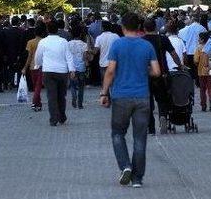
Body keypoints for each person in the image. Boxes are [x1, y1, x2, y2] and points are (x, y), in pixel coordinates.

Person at [99, 12, 160, 188]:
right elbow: (156, 72)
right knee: (140, 138)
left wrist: (104, 93)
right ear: (139, 27)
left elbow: (110, 71)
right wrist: (144, 70)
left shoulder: (117, 45)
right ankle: (137, 178)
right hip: (142, 97)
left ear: (123, 26)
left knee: (118, 133)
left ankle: (125, 166)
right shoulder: (147, 46)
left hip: (121, 97)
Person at [142, 18, 182, 134]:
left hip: (146, 75)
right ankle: (163, 116)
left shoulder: (141, 41)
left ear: (144, 29)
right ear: (155, 27)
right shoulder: (163, 39)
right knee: (162, 99)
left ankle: (151, 127)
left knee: (148, 101)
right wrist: (180, 65)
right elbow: (174, 54)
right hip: (162, 74)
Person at [34, 20, 75, 126]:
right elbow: (69, 57)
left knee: (51, 96)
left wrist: (38, 65)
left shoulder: (43, 42)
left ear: (47, 30)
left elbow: (38, 57)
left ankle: (53, 118)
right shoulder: (63, 42)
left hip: (48, 71)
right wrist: (72, 70)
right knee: (61, 95)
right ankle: (62, 116)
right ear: (57, 30)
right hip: (62, 72)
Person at [22, 23, 46, 111]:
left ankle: (35, 102)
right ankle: (37, 103)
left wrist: (25, 67)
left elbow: (29, 56)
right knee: (38, 86)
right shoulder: (44, 41)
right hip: (42, 66)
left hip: (33, 66)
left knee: (36, 85)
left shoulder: (30, 42)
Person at [179, 16, 206, 86]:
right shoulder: (202, 28)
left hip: (189, 51)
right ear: (199, 19)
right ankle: (198, 82)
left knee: (191, 68)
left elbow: (183, 39)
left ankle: (191, 82)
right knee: (199, 68)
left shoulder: (187, 29)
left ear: (192, 20)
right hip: (200, 51)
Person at [68, 25, 88, 109]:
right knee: (81, 86)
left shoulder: (68, 44)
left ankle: (74, 97)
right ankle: (80, 103)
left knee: (72, 85)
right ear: (80, 34)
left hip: (72, 67)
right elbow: (84, 57)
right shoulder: (84, 44)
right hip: (81, 67)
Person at [194, 31, 211, 112]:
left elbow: (196, 60)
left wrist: (198, 64)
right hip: (210, 70)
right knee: (210, 88)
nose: (198, 40)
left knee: (202, 89)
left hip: (201, 71)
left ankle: (203, 105)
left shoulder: (199, 48)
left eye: (199, 38)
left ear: (202, 40)